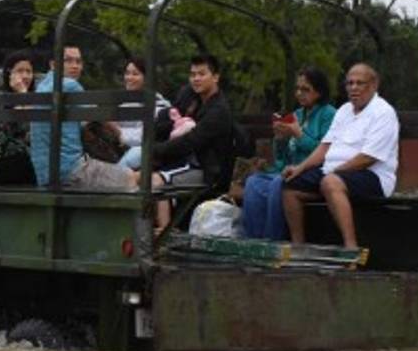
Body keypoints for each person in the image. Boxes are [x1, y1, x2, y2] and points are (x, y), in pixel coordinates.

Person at [281, 63, 399, 250]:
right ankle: (298, 246)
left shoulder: (383, 112)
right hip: (333, 172)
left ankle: (350, 247)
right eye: (349, 83)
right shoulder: (344, 110)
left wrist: (333, 172)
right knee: (290, 185)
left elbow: (368, 158)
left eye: (359, 83)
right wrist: (300, 168)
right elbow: (324, 147)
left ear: (374, 85)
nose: (353, 88)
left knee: (331, 183)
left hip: (372, 176)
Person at [242, 67, 337, 240]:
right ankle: (254, 239)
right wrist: (280, 139)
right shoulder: (297, 115)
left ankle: (273, 239)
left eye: (306, 89)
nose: (300, 93)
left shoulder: (329, 114)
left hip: (313, 173)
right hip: (288, 170)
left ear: (319, 91)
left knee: (279, 183)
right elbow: (283, 159)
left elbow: (324, 151)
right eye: (297, 89)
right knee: (254, 182)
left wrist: (298, 134)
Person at [28, 46, 138, 191]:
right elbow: (97, 116)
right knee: (131, 177)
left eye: (78, 61)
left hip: (44, 175)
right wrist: (119, 134)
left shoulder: (42, 86)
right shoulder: (70, 85)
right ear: (53, 65)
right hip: (71, 171)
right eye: (68, 61)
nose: (75, 66)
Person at [147, 54, 235, 229]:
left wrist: (155, 150)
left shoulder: (219, 111)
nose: (196, 79)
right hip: (185, 162)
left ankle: (165, 235)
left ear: (216, 77)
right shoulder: (193, 100)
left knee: (153, 181)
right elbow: (171, 117)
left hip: (206, 170)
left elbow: (190, 141)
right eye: (193, 74)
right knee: (138, 174)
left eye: (201, 74)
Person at [0, 49, 37, 185]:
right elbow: (20, 127)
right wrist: (22, 94)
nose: (26, 76)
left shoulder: (35, 97)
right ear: (9, 73)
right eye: (20, 71)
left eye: (29, 71)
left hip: (30, 159)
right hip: (7, 162)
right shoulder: (0, 99)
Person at [116, 57, 171, 171]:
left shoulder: (160, 106)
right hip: (120, 151)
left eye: (135, 74)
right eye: (127, 73)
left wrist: (118, 133)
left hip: (146, 156)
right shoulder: (126, 103)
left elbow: (144, 137)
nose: (129, 78)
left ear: (147, 78)